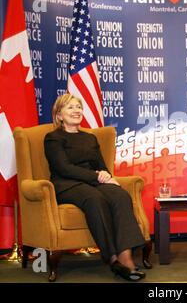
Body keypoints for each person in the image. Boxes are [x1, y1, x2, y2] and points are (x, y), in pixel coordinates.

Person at [44, 94, 146, 281]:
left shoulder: (90, 138)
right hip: (66, 184)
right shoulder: (53, 138)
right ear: (59, 115)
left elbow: (101, 165)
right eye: (70, 107)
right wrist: (97, 177)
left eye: (78, 107)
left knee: (120, 195)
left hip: (93, 181)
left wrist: (108, 177)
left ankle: (126, 258)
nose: (76, 111)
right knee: (94, 198)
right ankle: (113, 259)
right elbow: (63, 168)